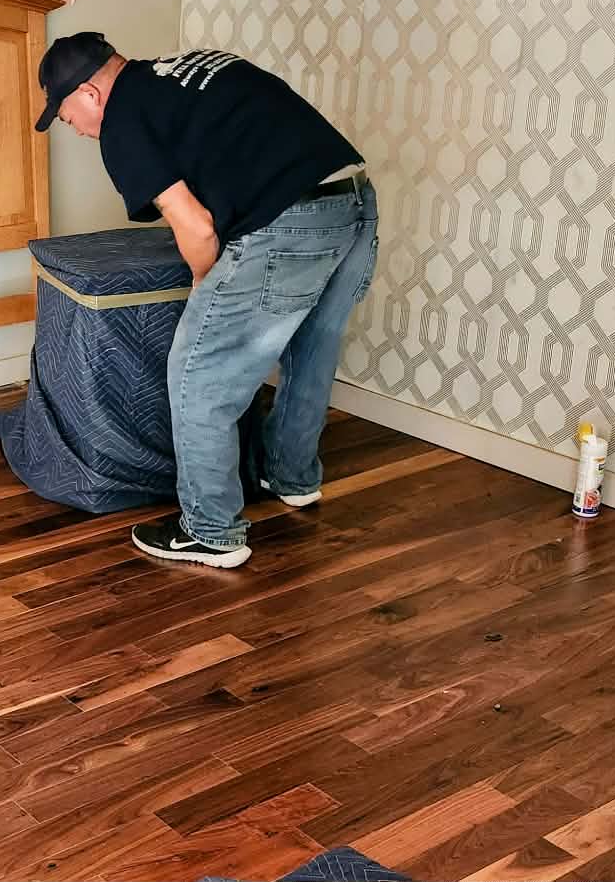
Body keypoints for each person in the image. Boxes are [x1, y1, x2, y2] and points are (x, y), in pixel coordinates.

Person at [34, 32, 378, 569]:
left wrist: (203, 287)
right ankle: (293, 477)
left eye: (65, 113)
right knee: (311, 350)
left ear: (90, 93)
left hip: (287, 222)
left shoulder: (122, 123)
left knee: (197, 374)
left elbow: (196, 227)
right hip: (353, 199)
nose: (72, 127)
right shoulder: (185, 67)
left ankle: (210, 530)